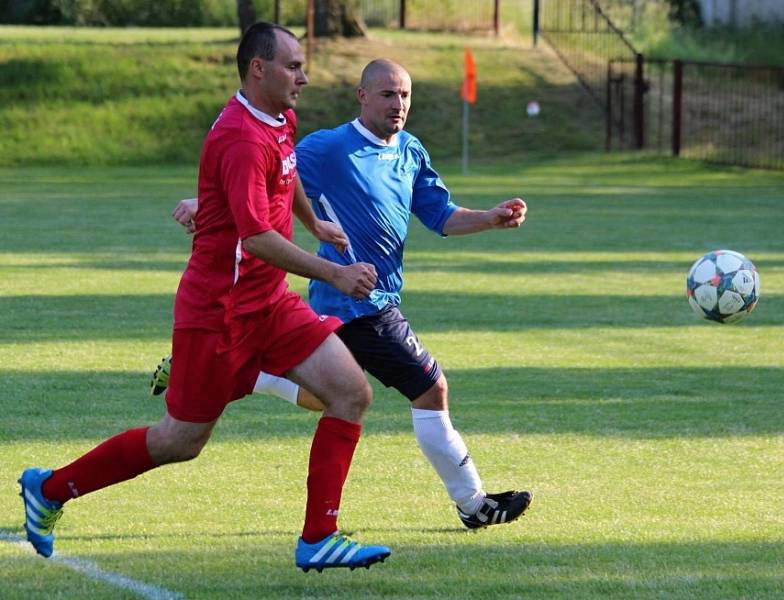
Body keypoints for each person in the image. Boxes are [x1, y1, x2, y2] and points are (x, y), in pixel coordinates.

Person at [19, 22, 391, 573]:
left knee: (351, 393)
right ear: (257, 69)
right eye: (293, 66)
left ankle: (319, 537)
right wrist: (333, 275)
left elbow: (286, 177)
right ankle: (49, 488)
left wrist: (313, 222)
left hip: (270, 304)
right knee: (180, 441)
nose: (304, 77)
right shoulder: (241, 136)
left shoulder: (279, 116)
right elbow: (256, 238)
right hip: (217, 315)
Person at [156, 58, 532, 529]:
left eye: (406, 96)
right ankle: (473, 503)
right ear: (363, 95)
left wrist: (490, 218)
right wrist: (204, 202)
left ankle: (240, 372)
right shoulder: (330, 148)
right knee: (431, 388)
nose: (398, 105)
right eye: (388, 94)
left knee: (327, 398)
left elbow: (440, 216)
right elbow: (262, 174)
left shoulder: (410, 151)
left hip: (376, 298)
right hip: (354, 302)